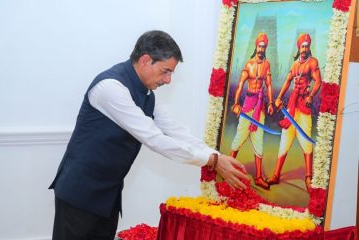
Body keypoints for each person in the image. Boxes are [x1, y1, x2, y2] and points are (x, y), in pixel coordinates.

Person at [49, 30, 249, 240]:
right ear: (145, 60)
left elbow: (173, 131)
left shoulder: (147, 94)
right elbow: (154, 138)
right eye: (165, 71)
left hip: (108, 194)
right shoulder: (110, 87)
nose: (169, 80)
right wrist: (211, 161)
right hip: (80, 192)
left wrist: (213, 154)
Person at [267, 33, 322, 192]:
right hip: (291, 106)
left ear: (309, 47)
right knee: (285, 139)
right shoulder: (294, 65)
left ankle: (308, 177)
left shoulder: (312, 62)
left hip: (304, 105)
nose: (304, 49)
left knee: (305, 142)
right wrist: (278, 98)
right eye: (302, 46)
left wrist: (311, 95)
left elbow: (318, 80)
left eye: (306, 46)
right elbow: (287, 81)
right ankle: (276, 175)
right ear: (298, 47)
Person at [229, 32, 274, 190]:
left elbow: (268, 85)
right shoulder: (248, 64)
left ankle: (258, 177)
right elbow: (241, 85)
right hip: (248, 104)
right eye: (259, 46)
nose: (261, 48)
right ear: (256, 46)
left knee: (258, 139)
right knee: (240, 136)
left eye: (264, 46)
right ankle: (230, 169)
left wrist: (270, 103)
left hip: (260, 105)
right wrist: (236, 103)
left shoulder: (266, 65)